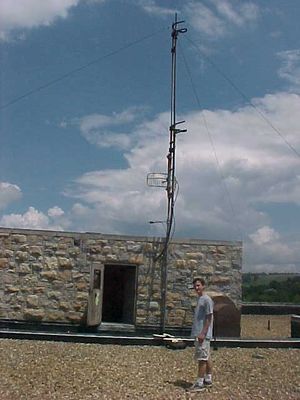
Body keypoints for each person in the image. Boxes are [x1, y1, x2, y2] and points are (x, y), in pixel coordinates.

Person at [189, 277, 214, 392]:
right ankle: (208, 379)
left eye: (198, 285)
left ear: (203, 286)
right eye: (195, 286)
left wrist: (203, 333)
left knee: (202, 358)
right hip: (199, 333)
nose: (196, 288)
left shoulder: (206, 300)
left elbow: (209, 317)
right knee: (206, 355)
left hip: (203, 334)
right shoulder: (200, 299)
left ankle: (199, 383)